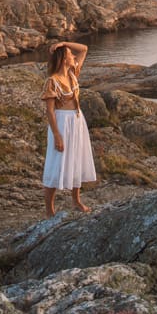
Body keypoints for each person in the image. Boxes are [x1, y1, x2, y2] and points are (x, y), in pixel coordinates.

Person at [41, 39, 96, 217]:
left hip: (77, 121)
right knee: (56, 163)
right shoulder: (52, 81)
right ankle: (49, 210)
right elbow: (50, 111)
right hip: (62, 123)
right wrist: (57, 135)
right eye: (69, 55)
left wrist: (64, 43)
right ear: (64, 59)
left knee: (76, 159)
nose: (73, 56)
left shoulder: (73, 74)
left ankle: (76, 200)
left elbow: (84, 48)